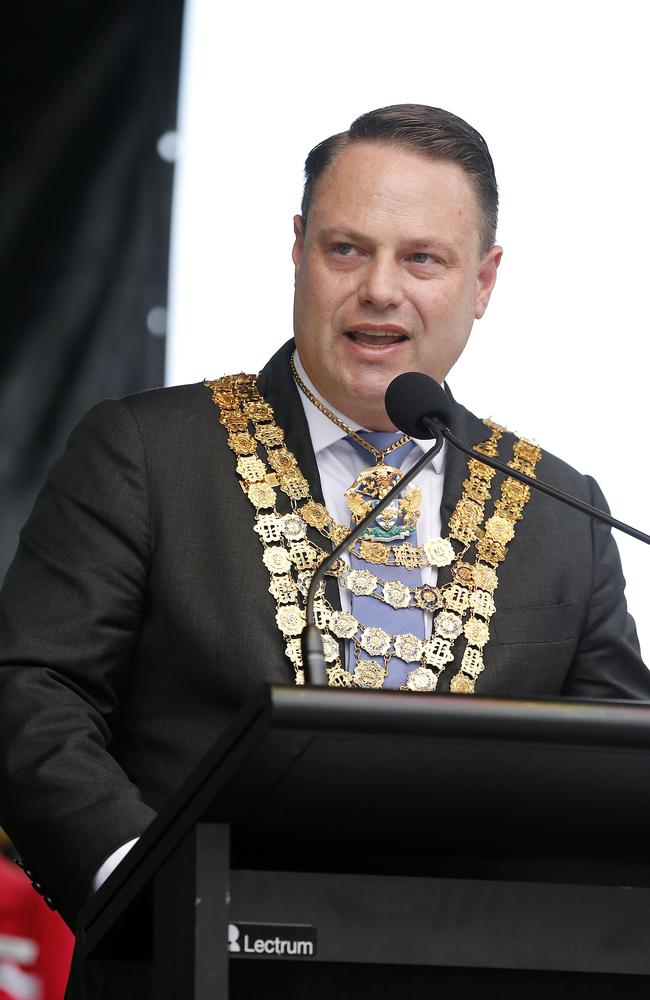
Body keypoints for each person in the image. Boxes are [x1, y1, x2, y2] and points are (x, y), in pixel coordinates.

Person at [0, 103, 648, 980]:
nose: (381, 288)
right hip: (190, 965)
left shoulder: (561, 510)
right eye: (348, 249)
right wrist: (139, 879)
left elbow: (616, 778)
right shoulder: (148, 451)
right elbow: (31, 692)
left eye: (423, 258)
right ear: (299, 248)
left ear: (485, 281)